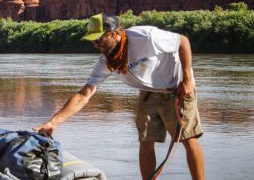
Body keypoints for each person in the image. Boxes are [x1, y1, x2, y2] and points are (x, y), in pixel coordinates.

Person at [34, 13, 204, 180]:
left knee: (188, 141)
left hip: (178, 88)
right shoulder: (106, 62)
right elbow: (83, 95)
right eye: (92, 40)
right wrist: (53, 122)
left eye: (99, 39)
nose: (95, 44)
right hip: (149, 92)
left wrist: (187, 80)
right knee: (145, 143)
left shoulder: (146, 37)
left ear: (114, 34)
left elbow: (183, 41)